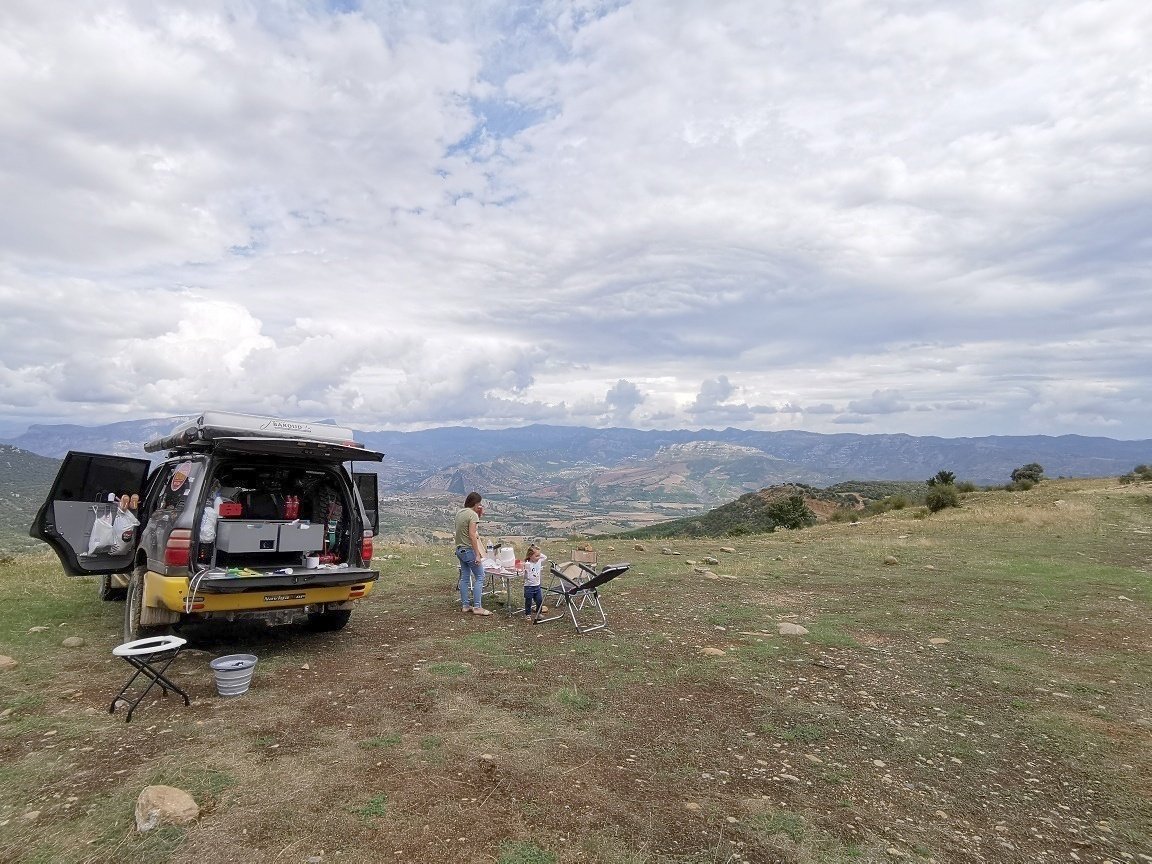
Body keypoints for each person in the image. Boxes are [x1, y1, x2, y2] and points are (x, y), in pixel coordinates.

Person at [454, 492, 491, 616]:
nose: (480, 506)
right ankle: (477, 607)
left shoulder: (460, 513)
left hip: (460, 549)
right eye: (479, 504)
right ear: (475, 504)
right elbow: (472, 535)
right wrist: (477, 555)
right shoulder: (473, 515)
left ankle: (465, 605)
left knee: (465, 577)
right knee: (480, 576)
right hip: (469, 550)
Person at [522, 544, 545, 623]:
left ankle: (538, 613)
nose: (539, 557)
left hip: (537, 586)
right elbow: (525, 577)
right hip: (529, 586)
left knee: (539, 600)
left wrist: (537, 550)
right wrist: (525, 571)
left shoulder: (539, 561)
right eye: (536, 556)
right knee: (528, 601)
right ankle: (528, 614)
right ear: (530, 556)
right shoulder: (527, 564)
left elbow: (545, 557)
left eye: (539, 555)